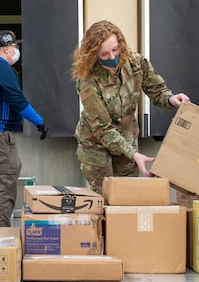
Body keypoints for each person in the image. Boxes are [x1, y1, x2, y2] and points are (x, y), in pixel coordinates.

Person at [71, 20, 190, 195]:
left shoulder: (136, 62)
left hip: (127, 136)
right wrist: (134, 154)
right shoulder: (88, 80)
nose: (112, 57)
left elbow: (157, 90)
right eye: (104, 54)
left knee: (126, 193)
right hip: (95, 143)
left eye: (115, 49)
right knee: (103, 196)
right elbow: (102, 129)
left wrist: (172, 99)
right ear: (93, 54)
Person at [0, 30, 47, 227]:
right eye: (15, 46)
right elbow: (17, 101)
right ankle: (0, 234)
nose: (17, 50)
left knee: (10, 170)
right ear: (6, 48)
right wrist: (39, 121)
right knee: (5, 182)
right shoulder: (3, 69)